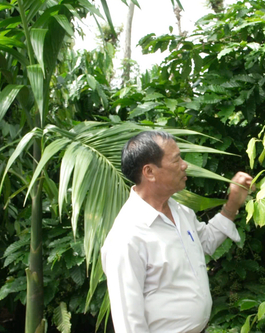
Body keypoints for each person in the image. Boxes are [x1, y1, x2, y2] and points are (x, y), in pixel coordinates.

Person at [101, 131, 253, 333]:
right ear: (149, 172)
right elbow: (129, 322)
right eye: (176, 160)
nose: (184, 165)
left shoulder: (179, 211)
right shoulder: (127, 236)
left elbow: (206, 241)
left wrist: (232, 204)